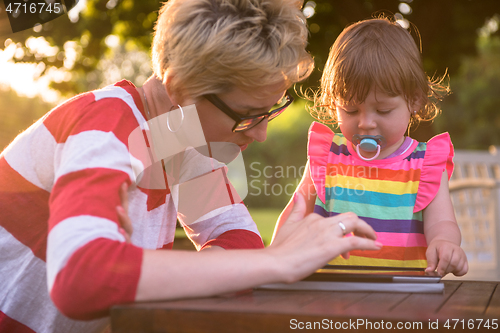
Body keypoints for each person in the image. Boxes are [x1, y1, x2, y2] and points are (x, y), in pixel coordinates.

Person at [0, 1, 382, 332]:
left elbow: (238, 237)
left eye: (270, 112)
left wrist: (253, 262)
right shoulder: (105, 126)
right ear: (180, 87)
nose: (262, 134)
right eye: (248, 115)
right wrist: (276, 261)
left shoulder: (181, 142)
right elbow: (81, 280)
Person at [273, 17, 468, 277]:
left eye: (383, 110)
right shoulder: (327, 157)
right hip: (329, 296)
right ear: (333, 104)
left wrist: (445, 243)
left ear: (414, 101)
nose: (365, 123)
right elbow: (295, 214)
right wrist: (274, 256)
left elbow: (442, 222)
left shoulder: (426, 165)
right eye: (351, 109)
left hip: (405, 298)